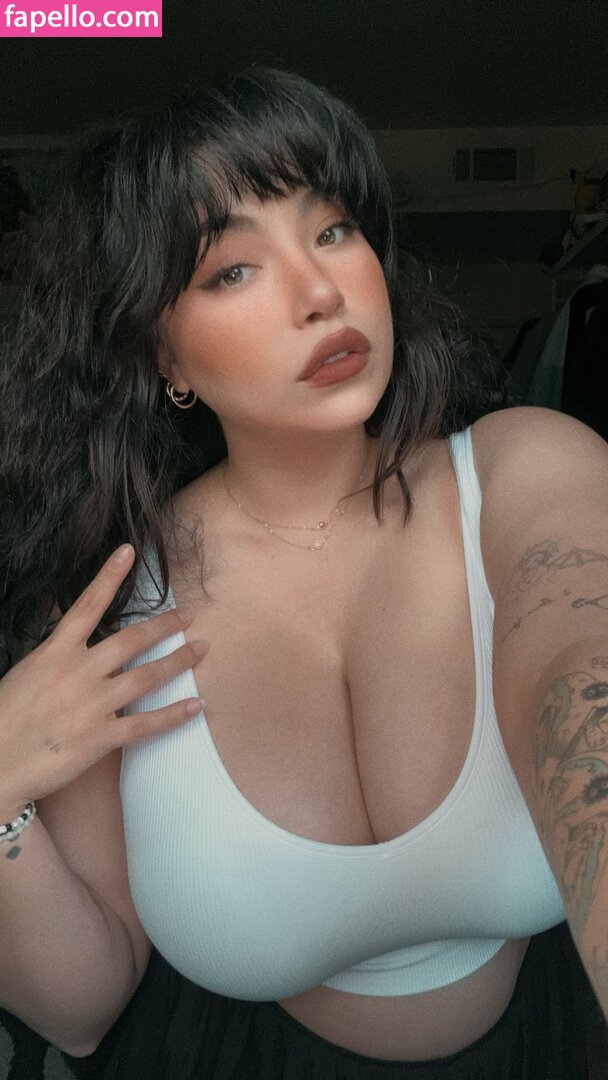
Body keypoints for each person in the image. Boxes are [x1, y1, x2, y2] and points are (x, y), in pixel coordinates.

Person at [0, 66, 607, 1080]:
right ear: (163, 356)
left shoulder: (523, 475)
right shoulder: (113, 601)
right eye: (232, 269)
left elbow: (583, 682)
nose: (322, 291)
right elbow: (83, 1010)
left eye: (332, 229)